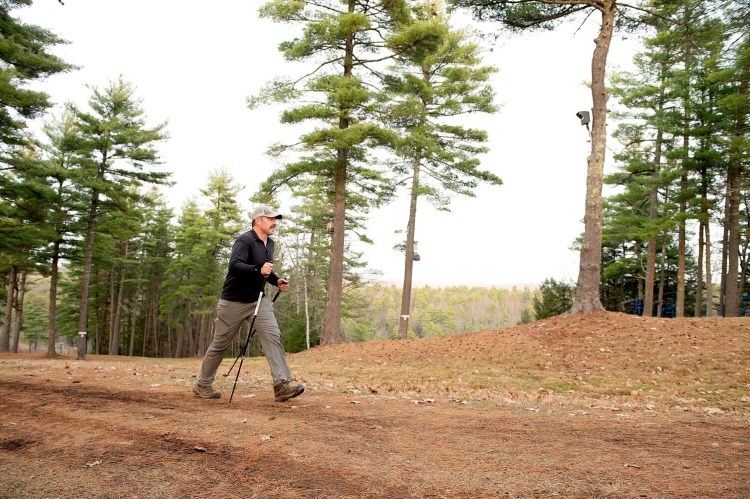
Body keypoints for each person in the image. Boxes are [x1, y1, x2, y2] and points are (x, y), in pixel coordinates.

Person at [192, 205, 305, 403]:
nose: (274, 223)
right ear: (258, 220)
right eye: (270, 219)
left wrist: (276, 280)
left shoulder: (270, 243)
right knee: (220, 344)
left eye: (275, 219)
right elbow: (235, 266)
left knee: (273, 335)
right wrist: (257, 270)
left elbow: (265, 270)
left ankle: (281, 385)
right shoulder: (244, 240)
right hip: (232, 302)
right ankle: (203, 384)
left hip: (258, 300)